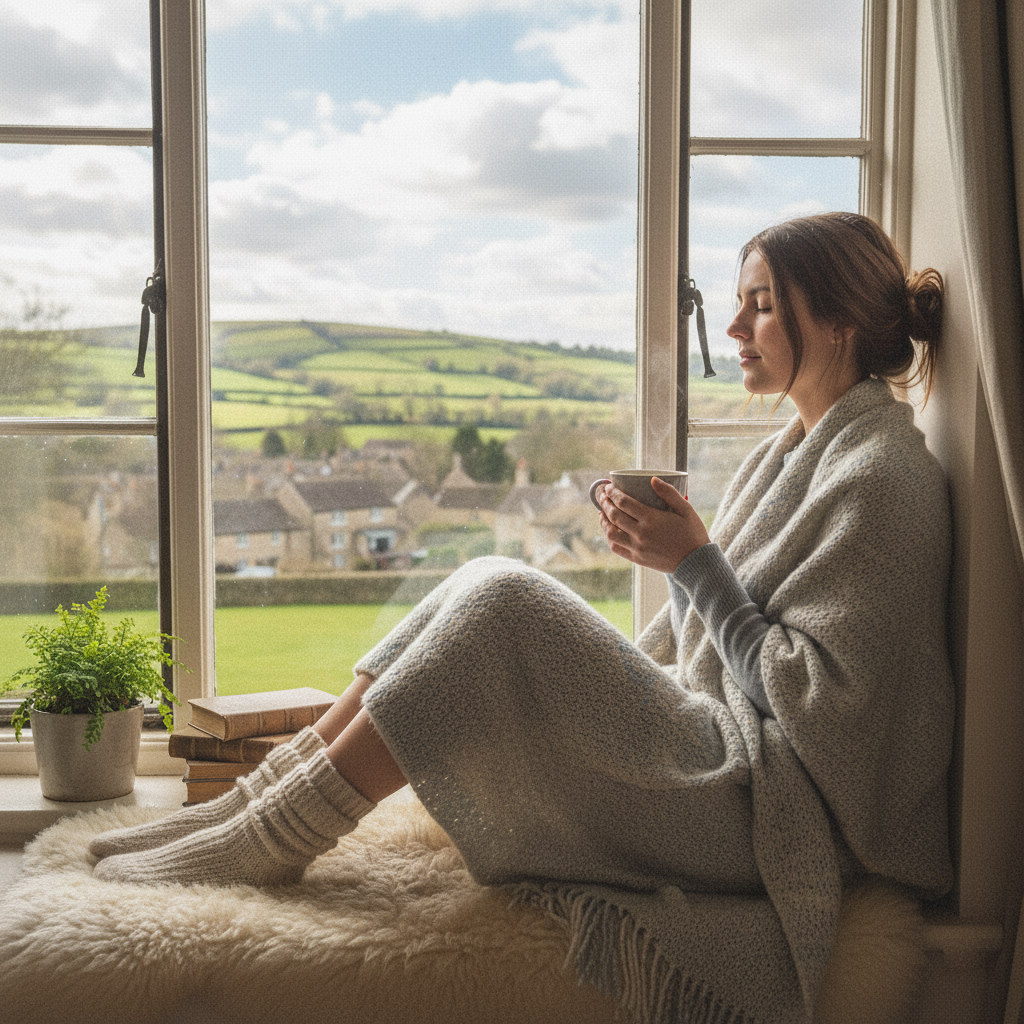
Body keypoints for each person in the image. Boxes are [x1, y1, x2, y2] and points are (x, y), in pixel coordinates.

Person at [90, 212, 954, 1024]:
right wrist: (655, 603)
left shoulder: (883, 480)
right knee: (483, 578)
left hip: (770, 820)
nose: (732, 328)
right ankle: (255, 808)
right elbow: (715, 631)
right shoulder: (794, 451)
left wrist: (692, 563)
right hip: (729, 761)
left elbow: (823, 713)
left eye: (760, 306)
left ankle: (273, 836)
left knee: (504, 599)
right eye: (739, 303)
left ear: (838, 322)